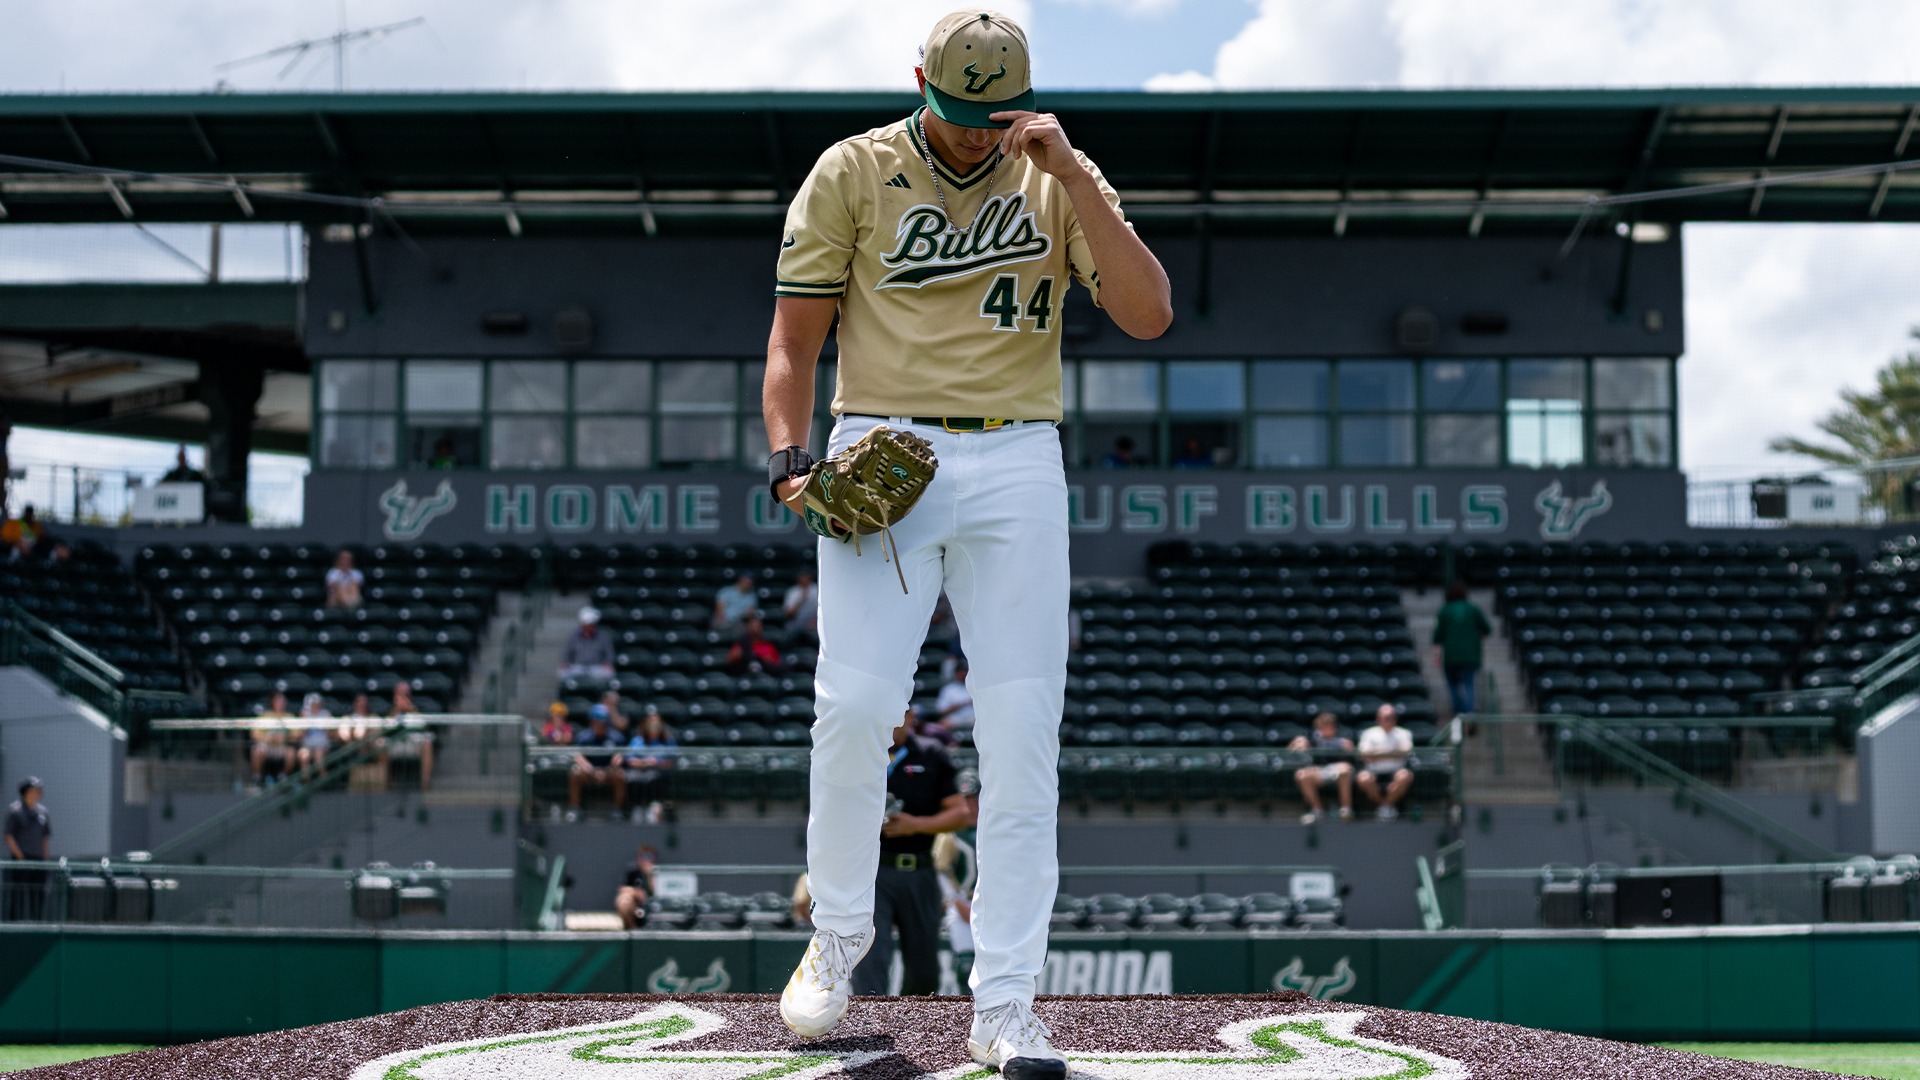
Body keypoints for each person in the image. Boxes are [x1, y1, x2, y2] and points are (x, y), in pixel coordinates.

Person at [762, 10, 1169, 1068]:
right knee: (852, 709)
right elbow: (792, 341)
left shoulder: (1052, 172)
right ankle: (838, 934)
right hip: (882, 449)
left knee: (1023, 741)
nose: (978, 134)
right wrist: (789, 457)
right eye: (959, 111)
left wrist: (1073, 175)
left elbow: (1147, 312)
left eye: (995, 115)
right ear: (919, 84)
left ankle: (1006, 1005)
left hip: (1020, 458)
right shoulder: (853, 170)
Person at [849, 708, 971, 999]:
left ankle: (911, 1020)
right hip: (873, 871)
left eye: (898, 714)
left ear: (911, 716)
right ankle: (872, 1021)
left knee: (924, 969)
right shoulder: (860, 752)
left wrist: (915, 825)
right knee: (869, 957)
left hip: (919, 868)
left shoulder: (931, 754)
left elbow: (961, 814)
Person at [1432, 580, 1494, 719]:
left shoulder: (1445, 610)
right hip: (1470, 655)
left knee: (1453, 685)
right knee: (1469, 684)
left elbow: (1437, 637)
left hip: (1451, 657)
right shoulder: (1472, 609)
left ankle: (1458, 714)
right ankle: (1469, 713)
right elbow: (1487, 629)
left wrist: (1436, 657)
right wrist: (1474, 637)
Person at [1289, 712, 1355, 825]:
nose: (1324, 729)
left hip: (1337, 770)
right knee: (1301, 774)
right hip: (1319, 771)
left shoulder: (1342, 741)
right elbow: (1291, 750)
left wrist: (1350, 750)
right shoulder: (1312, 739)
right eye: (1321, 726)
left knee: (1345, 769)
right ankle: (1318, 810)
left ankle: (1346, 810)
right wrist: (1297, 743)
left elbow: (1354, 758)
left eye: (1328, 726)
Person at [1355, 703, 1416, 821]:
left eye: (1391, 716)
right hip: (1374, 772)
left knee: (1405, 776)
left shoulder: (1404, 733)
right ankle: (1386, 807)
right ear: (1378, 718)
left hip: (1396, 772)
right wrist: (1394, 753)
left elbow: (1406, 751)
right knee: (1363, 778)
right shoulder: (1368, 733)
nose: (1388, 719)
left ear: (1395, 718)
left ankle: (1384, 807)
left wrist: (1377, 753)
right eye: (1385, 717)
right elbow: (1365, 754)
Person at [567, 707, 628, 821]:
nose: (601, 723)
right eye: (598, 720)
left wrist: (607, 770)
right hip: (589, 772)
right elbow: (578, 757)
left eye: (604, 720)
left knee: (620, 774)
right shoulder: (583, 737)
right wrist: (591, 770)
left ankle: (616, 810)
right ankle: (574, 809)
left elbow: (618, 757)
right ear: (592, 721)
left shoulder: (616, 737)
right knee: (575, 773)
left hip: (608, 772)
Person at [4, 777, 50, 921]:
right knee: (18, 895)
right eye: (35, 789)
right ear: (27, 791)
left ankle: (37, 924)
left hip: (38, 862)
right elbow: (8, 836)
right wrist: (21, 857)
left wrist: (45, 858)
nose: (39, 792)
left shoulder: (43, 812)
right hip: (21, 861)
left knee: (37, 895)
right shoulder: (15, 811)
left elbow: (45, 837)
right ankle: (15, 925)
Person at [625, 707, 677, 824]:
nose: (654, 727)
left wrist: (657, 763)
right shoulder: (637, 740)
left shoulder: (667, 741)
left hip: (659, 774)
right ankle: (637, 808)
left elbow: (670, 762)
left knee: (653, 776)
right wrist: (645, 762)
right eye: (651, 724)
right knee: (632, 777)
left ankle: (653, 807)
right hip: (639, 772)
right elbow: (630, 760)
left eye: (657, 724)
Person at [384, 681, 435, 792]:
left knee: (427, 745)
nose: (403, 696)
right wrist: (396, 710)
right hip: (395, 745)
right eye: (400, 694)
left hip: (413, 745)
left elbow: (424, 727)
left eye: (405, 694)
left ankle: (425, 783)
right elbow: (385, 729)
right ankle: (386, 783)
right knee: (381, 745)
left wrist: (411, 710)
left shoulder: (416, 709)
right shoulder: (390, 711)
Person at [250, 691, 295, 787]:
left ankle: (282, 777)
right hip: (268, 746)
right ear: (272, 702)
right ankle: (257, 778)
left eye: (283, 701)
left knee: (291, 752)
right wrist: (268, 739)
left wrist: (284, 738)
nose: (281, 703)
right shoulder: (265, 716)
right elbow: (255, 734)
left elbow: (297, 734)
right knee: (257, 750)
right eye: (278, 701)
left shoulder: (289, 717)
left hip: (282, 747)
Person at [558, 606, 615, 681]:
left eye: (592, 625)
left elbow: (609, 653)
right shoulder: (574, 636)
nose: (589, 628)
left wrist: (608, 663)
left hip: (596, 667)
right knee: (561, 672)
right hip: (578, 667)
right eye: (587, 625)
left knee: (609, 672)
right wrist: (566, 662)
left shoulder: (603, 636)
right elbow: (567, 652)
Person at [615, 844, 658, 930]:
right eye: (643, 856)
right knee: (624, 901)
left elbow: (658, 892)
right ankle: (632, 931)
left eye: (649, 856)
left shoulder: (659, 872)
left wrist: (650, 875)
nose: (646, 859)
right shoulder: (633, 871)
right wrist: (636, 893)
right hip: (637, 907)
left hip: (655, 907)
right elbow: (622, 889)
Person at [932, 663, 976, 742]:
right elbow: (942, 711)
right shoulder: (948, 689)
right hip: (955, 718)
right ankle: (951, 745)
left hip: (972, 718)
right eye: (961, 671)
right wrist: (960, 705)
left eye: (966, 671)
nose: (964, 674)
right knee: (942, 724)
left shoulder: (974, 688)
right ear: (956, 673)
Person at [294, 692, 335, 776]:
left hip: (322, 745)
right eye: (312, 703)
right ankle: (306, 782)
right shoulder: (304, 714)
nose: (315, 705)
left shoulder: (326, 714)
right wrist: (304, 720)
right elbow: (301, 734)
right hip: (307, 745)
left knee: (318, 755)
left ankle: (323, 781)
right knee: (304, 755)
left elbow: (331, 733)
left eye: (316, 703)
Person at [783, 571, 820, 640]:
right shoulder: (792, 592)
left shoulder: (817, 590)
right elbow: (788, 614)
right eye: (802, 576)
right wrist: (801, 600)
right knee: (789, 629)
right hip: (797, 623)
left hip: (814, 622)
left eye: (806, 575)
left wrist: (816, 621)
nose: (804, 578)